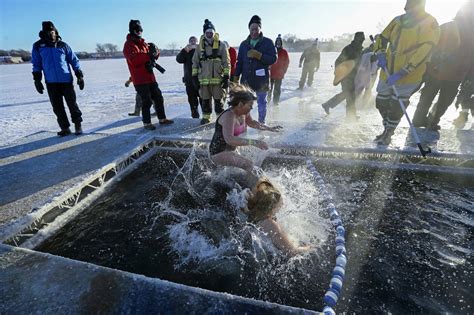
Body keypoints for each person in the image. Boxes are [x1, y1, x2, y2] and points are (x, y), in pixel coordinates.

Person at [373, 0, 440, 145]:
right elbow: (382, 38)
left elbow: (426, 49)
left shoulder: (430, 22)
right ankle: (387, 127)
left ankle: (389, 132)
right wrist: (380, 52)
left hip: (410, 75)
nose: (409, 11)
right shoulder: (398, 20)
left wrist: (405, 70)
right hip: (388, 72)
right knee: (381, 102)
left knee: (397, 106)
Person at [411, 2, 474, 130]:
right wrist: (434, 62)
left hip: (457, 75)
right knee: (426, 98)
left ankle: (432, 120)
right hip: (436, 71)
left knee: (445, 102)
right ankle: (418, 121)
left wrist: (469, 75)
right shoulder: (447, 27)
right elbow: (431, 46)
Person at [209, 84, 282, 173]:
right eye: (250, 105)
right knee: (249, 165)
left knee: (253, 163)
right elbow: (229, 139)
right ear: (240, 104)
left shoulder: (244, 113)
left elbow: (252, 123)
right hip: (218, 153)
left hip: (231, 151)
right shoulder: (229, 115)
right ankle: (254, 186)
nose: (251, 108)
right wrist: (254, 142)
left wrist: (269, 128)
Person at [31, 21, 84, 136]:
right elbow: (36, 64)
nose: (51, 34)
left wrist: (79, 75)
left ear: (55, 31)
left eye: (52, 31)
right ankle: (65, 128)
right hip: (51, 82)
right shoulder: (38, 46)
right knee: (57, 107)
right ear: (43, 33)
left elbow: (74, 60)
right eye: (48, 32)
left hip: (66, 80)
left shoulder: (63, 45)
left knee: (72, 104)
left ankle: (78, 125)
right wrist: (37, 80)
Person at [123, 20, 173, 130]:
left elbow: (153, 56)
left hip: (150, 77)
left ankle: (162, 119)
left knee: (158, 98)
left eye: (141, 29)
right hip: (139, 79)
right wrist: (147, 55)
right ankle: (147, 123)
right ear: (132, 30)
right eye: (137, 29)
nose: (139, 31)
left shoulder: (144, 44)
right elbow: (134, 60)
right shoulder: (129, 45)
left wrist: (156, 52)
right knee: (147, 101)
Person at [243, 178, 309, 256]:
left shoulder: (248, 210)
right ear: (272, 207)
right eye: (280, 203)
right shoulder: (270, 225)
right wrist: (310, 248)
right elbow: (292, 252)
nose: (282, 204)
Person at [234, 15, 277, 124]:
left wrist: (259, 56)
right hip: (246, 79)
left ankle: (261, 122)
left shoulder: (268, 42)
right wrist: (235, 76)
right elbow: (240, 62)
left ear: (260, 29)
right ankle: (243, 123)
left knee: (261, 102)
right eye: (252, 29)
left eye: (256, 29)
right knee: (243, 103)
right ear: (249, 29)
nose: (254, 32)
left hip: (261, 80)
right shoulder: (244, 44)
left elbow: (273, 59)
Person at [192, 19, 230, 125]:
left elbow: (226, 62)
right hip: (203, 80)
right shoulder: (200, 47)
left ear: (214, 32)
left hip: (218, 79)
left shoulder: (221, 45)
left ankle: (220, 119)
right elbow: (195, 61)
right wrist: (194, 77)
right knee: (205, 100)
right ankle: (206, 118)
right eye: (207, 32)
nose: (209, 34)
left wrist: (226, 76)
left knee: (219, 101)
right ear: (204, 33)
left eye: (211, 32)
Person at [321, 32, 366, 120]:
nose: (362, 41)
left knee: (348, 94)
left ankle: (328, 104)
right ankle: (350, 116)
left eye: (363, 39)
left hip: (354, 76)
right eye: (361, 39)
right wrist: (341, 74)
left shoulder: (359, 49)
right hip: (346, 76)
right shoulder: (349, 49)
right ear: (356, 39)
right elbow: (338, 61)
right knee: (350, 95)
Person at [177, 36, 202, 119]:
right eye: (191, 41)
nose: (193, 42)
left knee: (203, 99)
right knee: (192, 100)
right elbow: (179, 59)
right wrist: (184, 50)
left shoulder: (201, 49)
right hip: (189, 80)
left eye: (194, 40)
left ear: (197, 42)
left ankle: (206, 115)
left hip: (201, 79)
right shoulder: (186, 51)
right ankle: (195, 115)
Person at [269, 34, 290, 105]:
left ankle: (276, 101)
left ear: (281, 43)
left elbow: (287, 62)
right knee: (269, 88)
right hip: (270, 73)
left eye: (279, 42)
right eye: (277, 42)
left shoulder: (284, 52)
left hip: (279, 74)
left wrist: (284, 71)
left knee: (277, 89)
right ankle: (267, 101)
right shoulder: (271, 50)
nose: (278, 43)